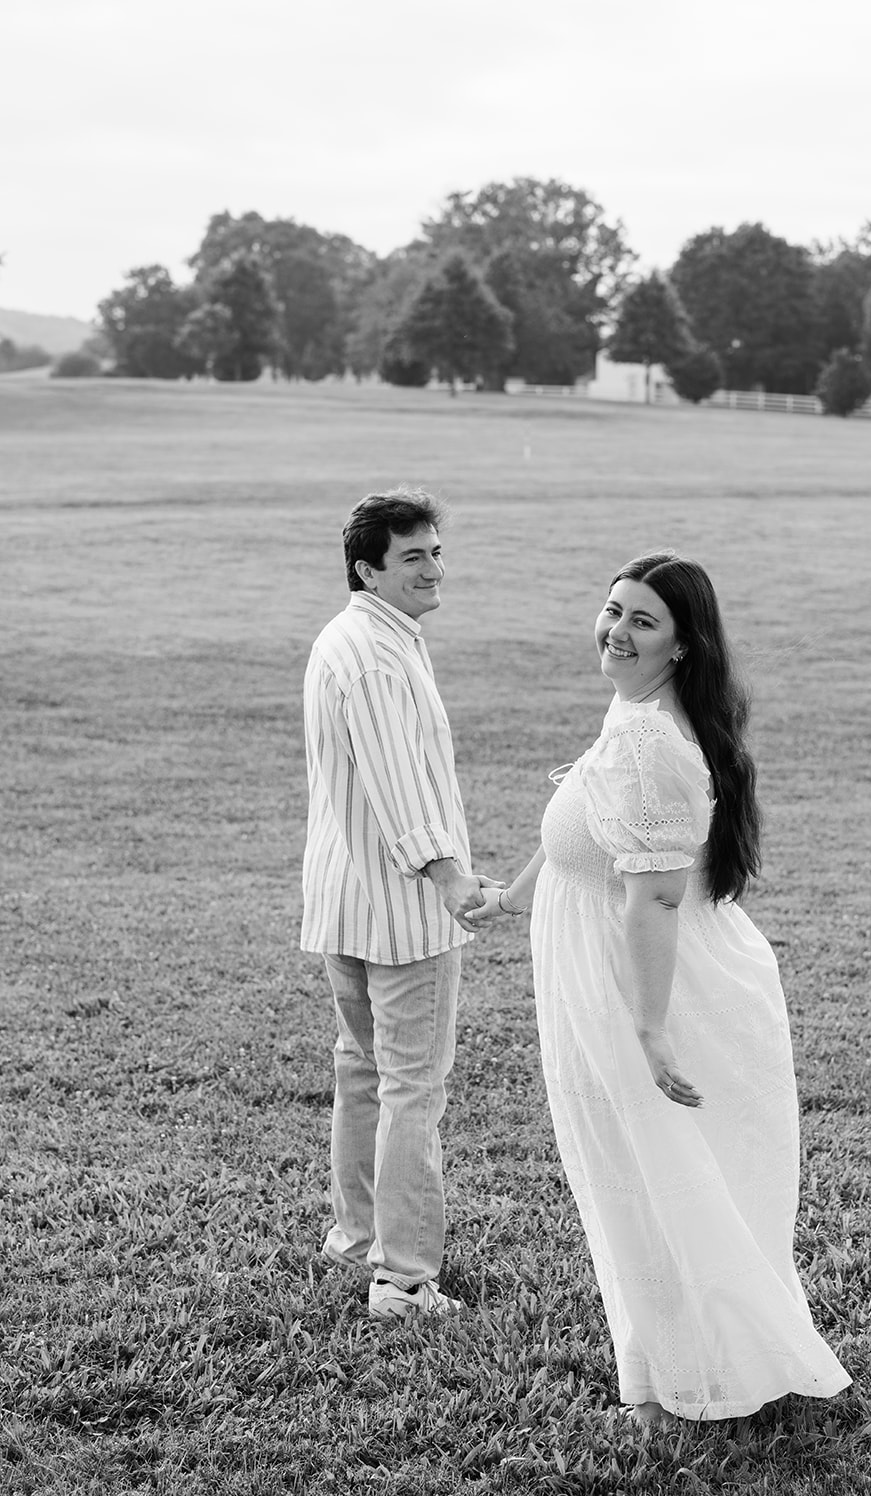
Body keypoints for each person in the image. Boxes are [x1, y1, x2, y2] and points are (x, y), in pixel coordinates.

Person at [476, 552, 852, 1422]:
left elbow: (650, 893)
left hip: (653, 991)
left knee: (651, 1181)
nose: (615, 630)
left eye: (642, 621)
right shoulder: (635, 710)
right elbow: (583, 817)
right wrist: (509, 895)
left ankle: (681, 1388)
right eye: (612, 610)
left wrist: (649, 1032)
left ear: (682, 646)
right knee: (646, 1178)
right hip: (629, 978)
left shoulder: (653, 742)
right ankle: (685, 1371)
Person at [301, 488, 494, 1321]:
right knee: (412, 1087)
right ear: (367, 567)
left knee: (364, 1074)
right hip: (400, 911)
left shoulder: (355, 636)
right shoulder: (375, 655)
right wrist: (449, 876)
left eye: (436, 551)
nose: (432, 568)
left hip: (346, 902)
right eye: (412, 556)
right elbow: (394, 785)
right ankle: (404, 1279)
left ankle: (356, 1240)